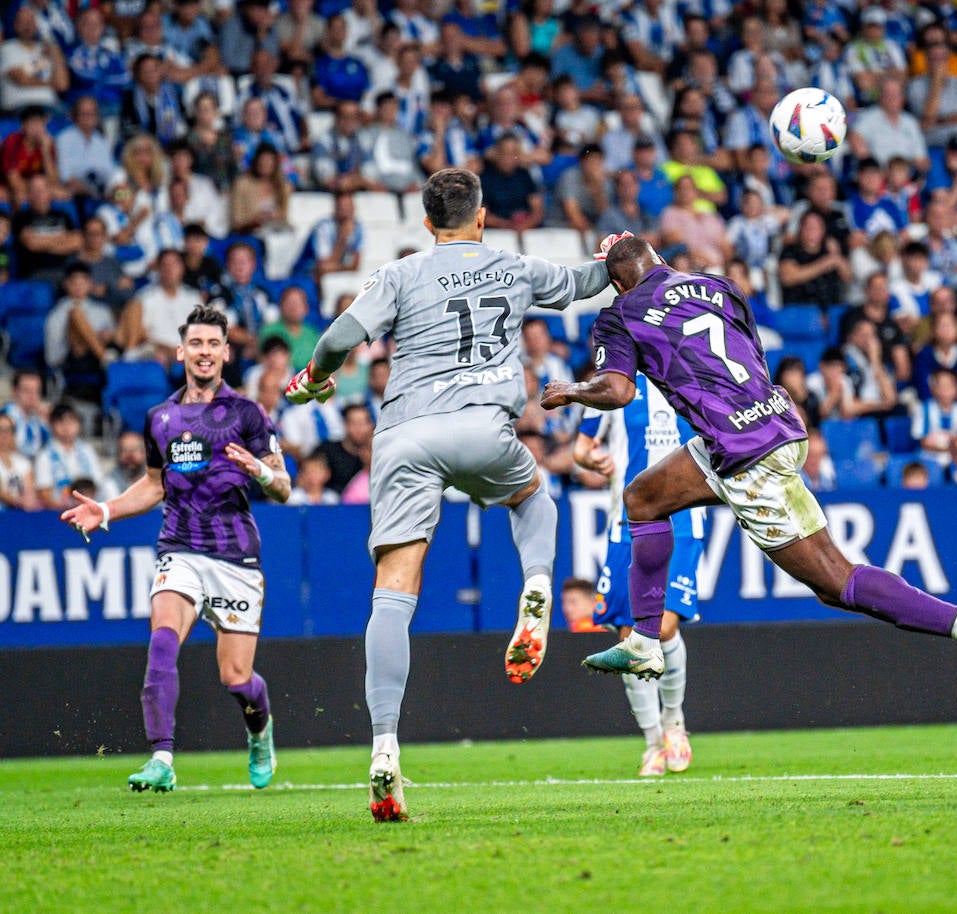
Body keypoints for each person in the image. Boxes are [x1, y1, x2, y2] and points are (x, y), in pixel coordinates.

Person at [540, 235, 957, 721]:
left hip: (746, 453)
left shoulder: (619, 315)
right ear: (659, 260)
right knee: (641, 496)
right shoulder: (714, 284)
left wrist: (571, 390)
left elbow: (618, 391)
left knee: (837, 583)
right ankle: (644, 639)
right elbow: (751, 348)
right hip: (764, 422)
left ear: (616, 282)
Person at [283, 168, 614, 822]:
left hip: (406, 436)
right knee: (532, 499)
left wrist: (314, 378)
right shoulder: (514, 266)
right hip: (485, 429)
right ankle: (538, 583)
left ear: (428, 224)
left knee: (394, 590)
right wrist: (610, 260)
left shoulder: (403, 273)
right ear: (482, 215)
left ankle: (383, 746)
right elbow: (582, 285)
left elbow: (342, 338)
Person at [60, 306, 291, 793]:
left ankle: (260, 730)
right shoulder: (159, 418)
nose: (204, 352)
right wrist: (106, 510)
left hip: (235, 558)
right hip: (180, 547)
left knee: (236, 678)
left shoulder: (249, 413)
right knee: (162, 639)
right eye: (196, 343)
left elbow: (284, 488)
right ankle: (162, 758)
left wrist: (260, 472)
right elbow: (153, 484)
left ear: (227, 353)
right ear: (181, 350)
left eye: (214, 344)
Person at [574, 373, 705, 777]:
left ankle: (673, 724)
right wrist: (592, 460)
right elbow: (581, 449)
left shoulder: (692, 374)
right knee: (629, 636)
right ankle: (652, 743)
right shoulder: (614, 384)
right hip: (626, 522)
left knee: (663, 628)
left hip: (684, 517)